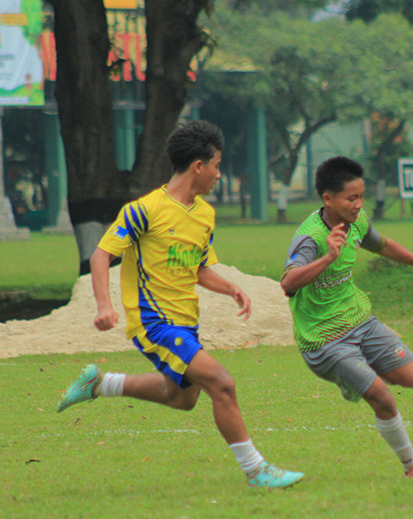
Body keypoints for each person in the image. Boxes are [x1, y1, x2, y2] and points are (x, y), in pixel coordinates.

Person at [57, 120, 303, 490]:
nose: (220, 175)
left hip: (186, 322)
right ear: (198, 166)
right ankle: (256, 470)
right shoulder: (145, 210)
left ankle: (100, 384)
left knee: (182, 398)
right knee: (221, 382)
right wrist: (104, 306)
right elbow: (100, 256)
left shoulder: (205, 215)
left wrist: (230, 288)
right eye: (217, 165)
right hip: (153, 321)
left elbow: (199, 268)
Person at [280, 156, 413, 480]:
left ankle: (355, 375)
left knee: (412, 376)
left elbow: (382, 245)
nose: (359, 204)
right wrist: (328, 258)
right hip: (323, 339)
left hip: (360, 322)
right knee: (383, 398)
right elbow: (288, 283)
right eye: (352, 198)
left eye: (361, 196)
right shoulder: (311, 238)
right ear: (328, 199)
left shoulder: (357, 221)